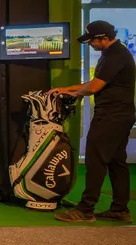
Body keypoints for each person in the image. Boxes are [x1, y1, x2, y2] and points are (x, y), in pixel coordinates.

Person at [49, 20, 135, 223]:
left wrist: (75, 94)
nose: (90, 45)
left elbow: (94, 88)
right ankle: (120, 210)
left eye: (92, 41)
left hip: (111, 117)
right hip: (120, 115)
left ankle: (85, 210)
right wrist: (67, 88)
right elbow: (95, 83)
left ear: (104, 38)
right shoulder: (113, 53)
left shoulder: (115, 55)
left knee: (95, 162)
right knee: (116, 162)